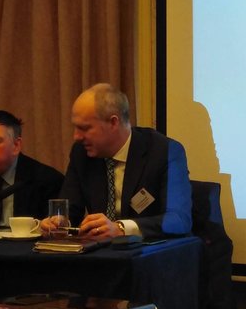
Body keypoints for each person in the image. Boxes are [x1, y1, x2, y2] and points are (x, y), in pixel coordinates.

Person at [42, 83, 191, 241]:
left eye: (84, 128)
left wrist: (121, 228)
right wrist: (59, 222)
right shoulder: (82, 153)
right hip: (100, 251)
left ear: (113, 122)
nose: (76, 136)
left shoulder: (164, 151)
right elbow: (71, 210)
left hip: (149, 251)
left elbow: (179, 219)